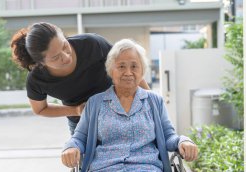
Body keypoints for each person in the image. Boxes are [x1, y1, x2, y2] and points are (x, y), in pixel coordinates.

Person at [61, 39, 198, 172]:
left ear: (142, 70)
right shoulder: (96, 103)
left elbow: (169, 135)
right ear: (111, 70)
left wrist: (183, 141)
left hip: (146, 167)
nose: (128, 72)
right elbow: (79, 136)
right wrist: (71, 147)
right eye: (121, 66)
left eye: (134, 66)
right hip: (105, 168)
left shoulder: (154, 101)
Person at [10, 22, 150, 135]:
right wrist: (76, 110)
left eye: (65, 46)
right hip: (82, 123)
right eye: (55, 57)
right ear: (40, 63)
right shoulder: (36, 80)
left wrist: (152, 103)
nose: (66, 57)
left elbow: (129, 70)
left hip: (120, 110)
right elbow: (40, 109)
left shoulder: (92, 44)